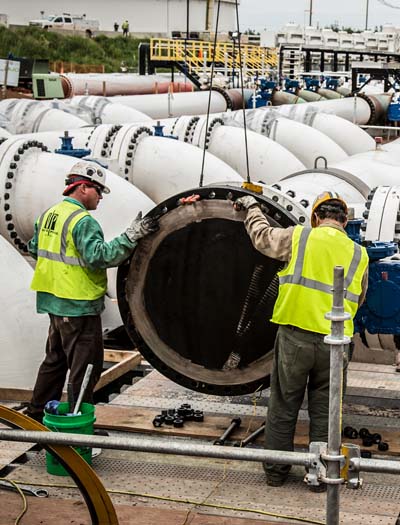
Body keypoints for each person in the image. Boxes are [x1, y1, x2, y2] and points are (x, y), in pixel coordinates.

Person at [234, 191, 369, 489]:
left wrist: (252, 207)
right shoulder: (359, 254)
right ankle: (321, 475)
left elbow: (262, 237)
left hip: (296, 337)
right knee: (327, 410)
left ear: (317, 217)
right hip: (336, 343)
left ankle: (277, 473)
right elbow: (359, 299)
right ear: (344, 221)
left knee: (284, 405)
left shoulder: (300, 237)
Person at [24, 161, 158, 422]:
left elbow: (33, 248)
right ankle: (77, 426)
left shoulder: (49, 215)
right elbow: (100, 257)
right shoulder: (83, 221)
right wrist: (131, 236)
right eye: (98, 191)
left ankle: (35, 417)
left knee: (55, 362)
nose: (100, 198)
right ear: (83, 187)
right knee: (85, 369)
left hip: (54, 302)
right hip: (78, 306)